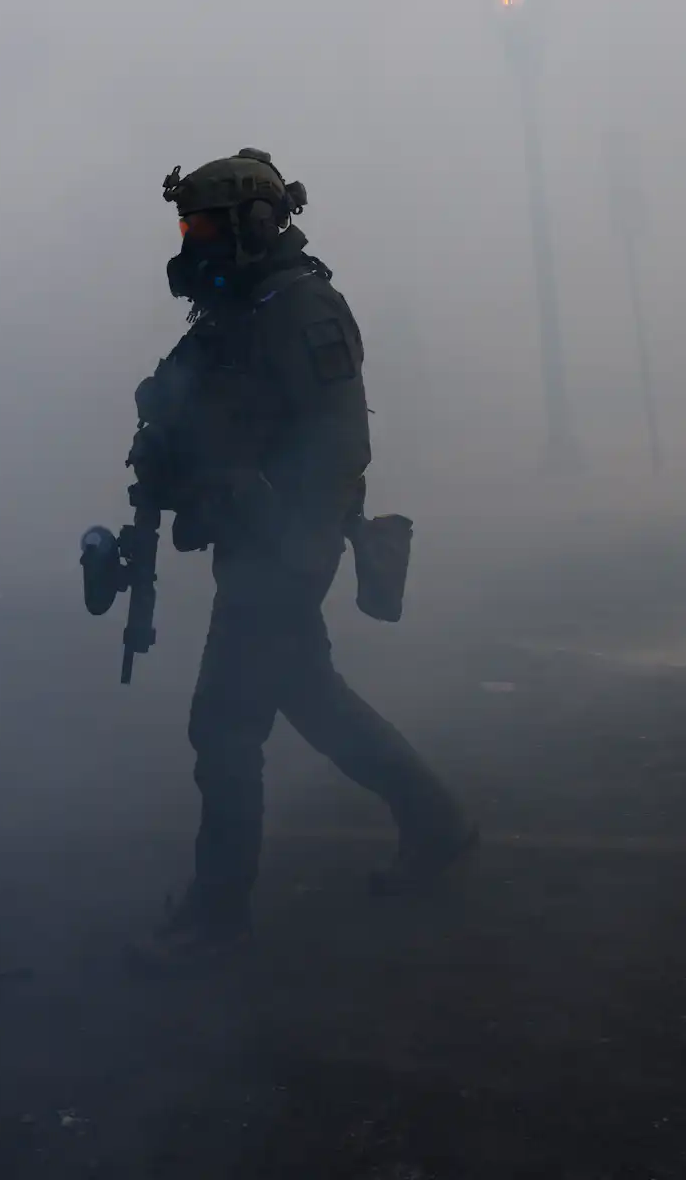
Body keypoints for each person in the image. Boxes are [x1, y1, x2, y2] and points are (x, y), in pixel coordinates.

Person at [126, 148, 474, 966]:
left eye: (206, 224)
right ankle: (438, 825)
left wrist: (263, 502)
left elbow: (338, 443)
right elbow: (186, 404)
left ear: (253, 222)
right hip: (254, 544)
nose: (192, 240)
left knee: (221, 726)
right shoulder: (234, 312)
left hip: (288, 547)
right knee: (312, 699)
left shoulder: (301, 308)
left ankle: (217, 917)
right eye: (187, 225)